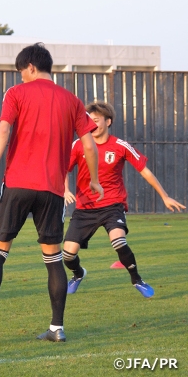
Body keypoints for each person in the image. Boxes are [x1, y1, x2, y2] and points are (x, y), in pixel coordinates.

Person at [0, 43, 104, 343]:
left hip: (18, 184)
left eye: (22, 72)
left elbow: (3, 130)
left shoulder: (16, 93)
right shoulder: (73, 101)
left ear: (31, 67)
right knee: (53, 259)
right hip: (52, 190)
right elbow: (89, 145)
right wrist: (95, 181)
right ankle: (56, 328)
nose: (21, 77)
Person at [63, 101, 185, 298]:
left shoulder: (120, 146)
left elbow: (145, 172)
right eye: (88, 121)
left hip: (112, 204)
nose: (91, 125)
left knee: (118, 240)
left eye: (95, 120)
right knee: (68, 254)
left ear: (108, 121)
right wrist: (65, 189)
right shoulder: (79, 144)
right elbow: (63, 169)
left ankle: (137, 279)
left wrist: (165, 196)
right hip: (85, 207)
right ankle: (78, 274)